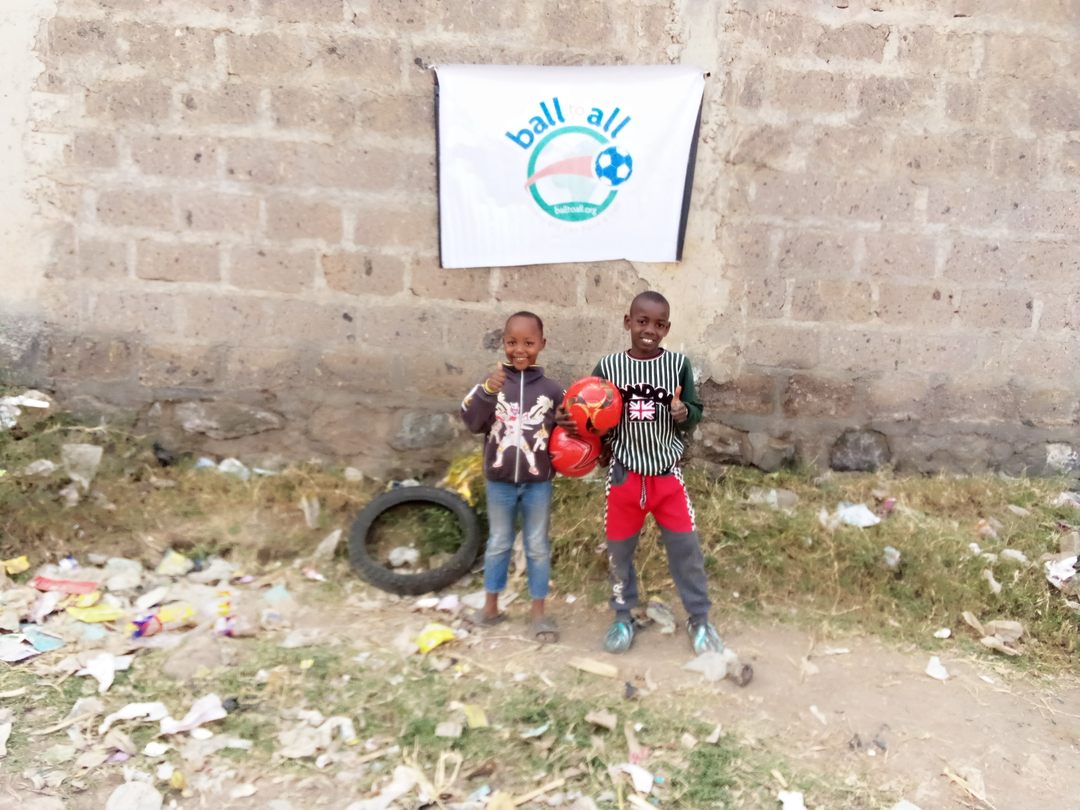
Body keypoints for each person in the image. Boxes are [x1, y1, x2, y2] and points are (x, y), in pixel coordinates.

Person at [560, 290, 722, 655]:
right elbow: (588, 413)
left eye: (658, 324)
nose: (649, 330)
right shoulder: (608, 368)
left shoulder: (677, 365)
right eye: (642, 321)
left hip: (666, 476)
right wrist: (574, 425)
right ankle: (623, 615)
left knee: (686, 550)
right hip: (625, 476)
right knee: (619, 552)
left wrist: (685, 414)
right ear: (628, 322)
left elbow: (695, 411)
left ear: (667, 329)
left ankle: (699, 618)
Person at [460, 311, 563, 642]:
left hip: (538, 483)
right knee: (498, 543)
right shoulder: (491, 385)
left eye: (529, 343)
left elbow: (565, 431)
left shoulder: (552, 390)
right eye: (512, 342)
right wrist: (488, 392)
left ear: (542, 344)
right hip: (499, 482)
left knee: (537, 545)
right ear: (503, 343)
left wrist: (569, 425)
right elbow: (471, 421)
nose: (520, 350)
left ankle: (539, 614)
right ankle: (490, 607)